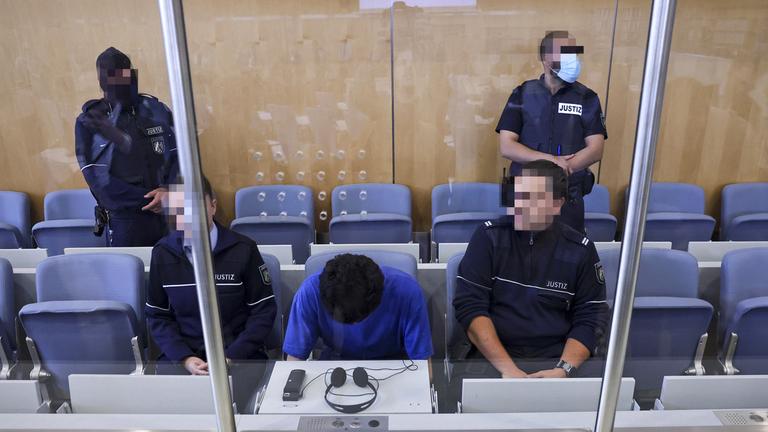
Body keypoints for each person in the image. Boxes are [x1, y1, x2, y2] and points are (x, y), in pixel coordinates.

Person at [453, 160, 608, 380]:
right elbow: (470, 307)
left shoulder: (580, 250)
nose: (520, 205)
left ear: (557, 204)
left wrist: (564, 369)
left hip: (556, 358)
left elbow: (591, 317)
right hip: (493, 355)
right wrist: (508, 369)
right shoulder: (489, 237)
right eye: (518, 195)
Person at [145, 177, 276, 409]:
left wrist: (230, 356)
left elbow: (263, 311)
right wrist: (185, 359)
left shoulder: (244, 249)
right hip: (183, 358)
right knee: (172, 415)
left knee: (236, 413)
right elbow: (158, 316)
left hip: (239, 357)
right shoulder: (162, 253)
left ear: (212, 206)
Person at [496, 31, 607, 233]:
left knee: (567, 256)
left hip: (567, 195)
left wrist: (563, 168)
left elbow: (596, 148)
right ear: (546, 59)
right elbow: (507, 145)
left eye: (573, 52)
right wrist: (551, 161)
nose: (572, 58)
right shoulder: (522, 94)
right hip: (526, 195)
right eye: (565, 53)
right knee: (520, 257)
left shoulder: (587, 97)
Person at [75, 47, 178, 247]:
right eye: (111, 76)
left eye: (124, 73)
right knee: (130, 275)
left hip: (170, 212)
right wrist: (150, 199)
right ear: (101, 80)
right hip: (127, 221)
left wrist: (168, 192)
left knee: (174, 273)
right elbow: (98, 181)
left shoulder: (157, 110)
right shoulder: (91, 120)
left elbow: (181, 158)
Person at [283, 254, 432, 361]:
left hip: (394, 364)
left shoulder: (407, 292)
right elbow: (294, 361)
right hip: (334, 366)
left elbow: (424, 369)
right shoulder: (310, 292)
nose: (355, 325)